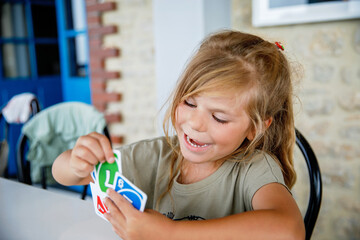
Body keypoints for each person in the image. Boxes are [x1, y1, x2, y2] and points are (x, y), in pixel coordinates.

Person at [52, 30, 305, 240]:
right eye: (190, 103)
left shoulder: (254, 169)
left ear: (255, 128)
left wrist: (170, 232)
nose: (195, 123)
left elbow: (290, 230)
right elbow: (61, 173)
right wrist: (76, 163)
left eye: (219, 117)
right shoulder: (155, 155)